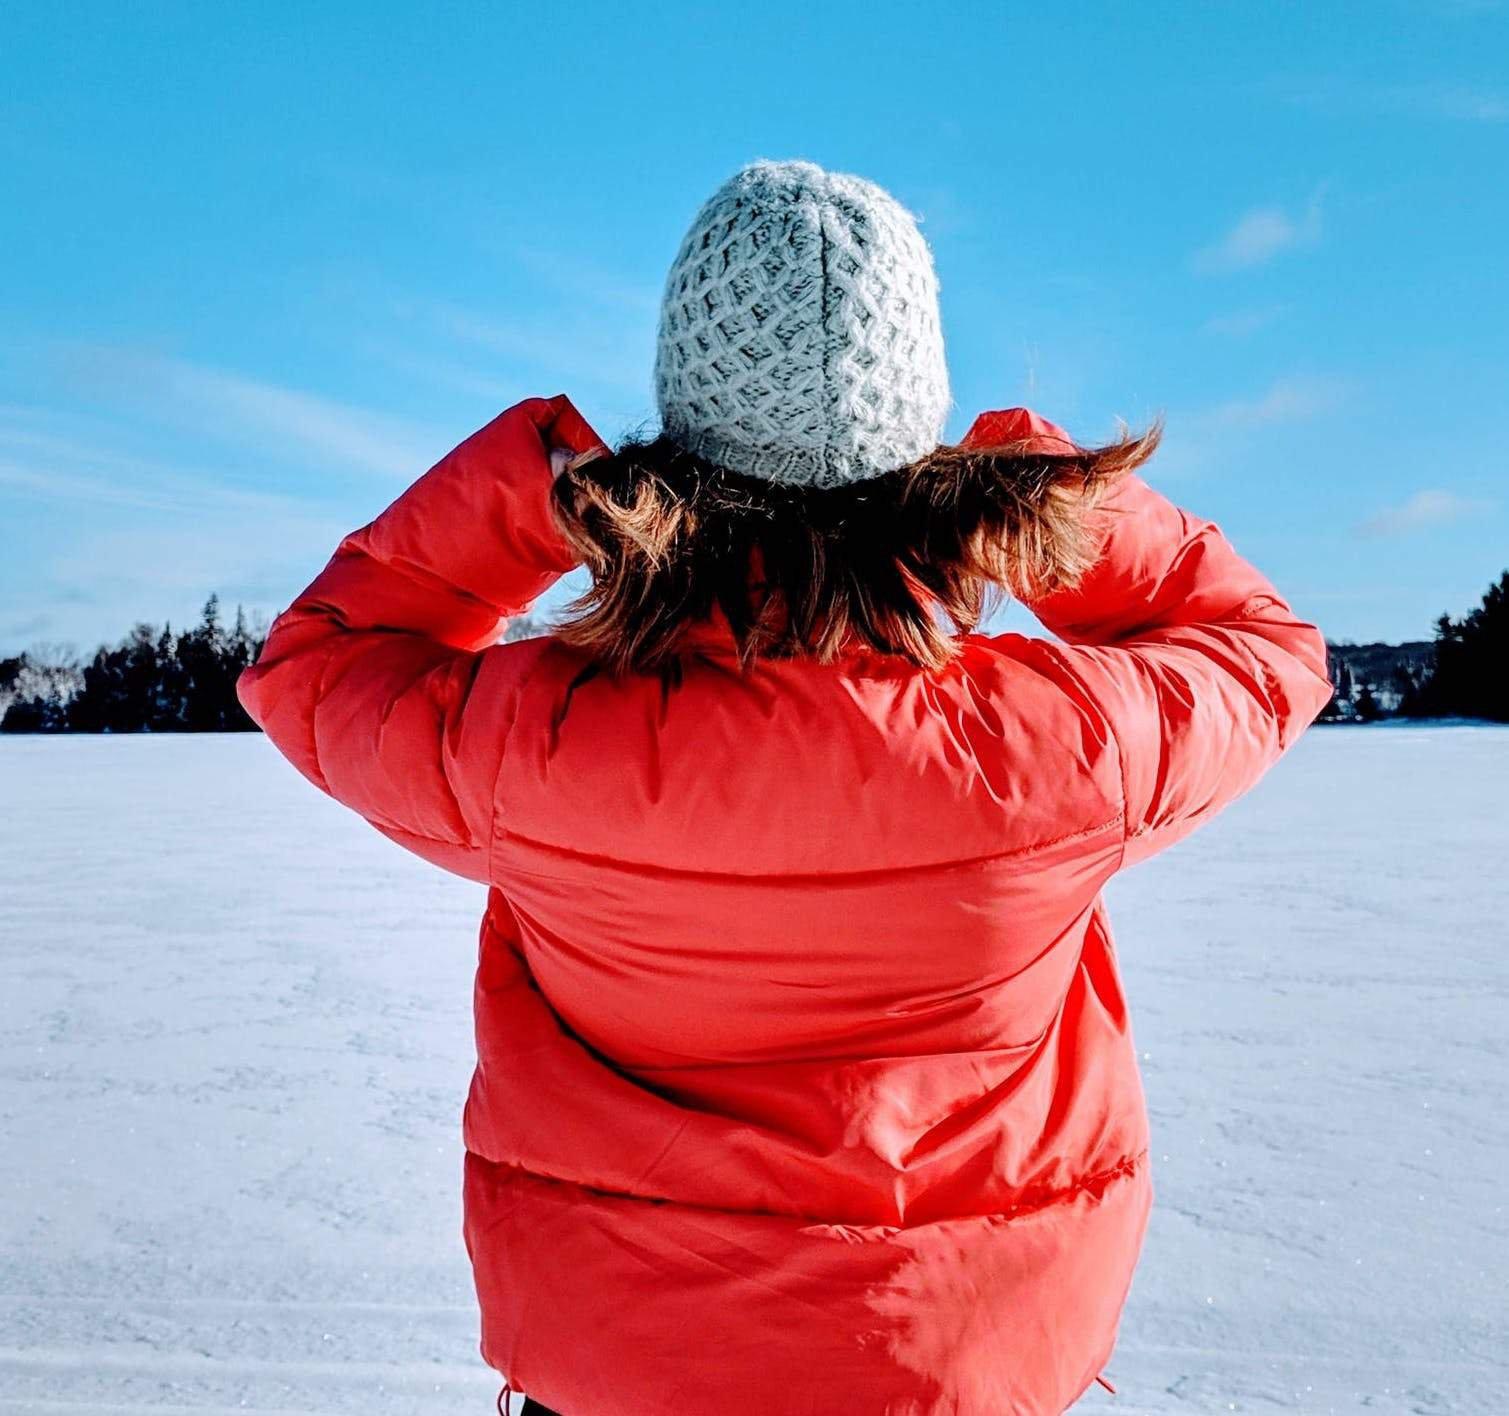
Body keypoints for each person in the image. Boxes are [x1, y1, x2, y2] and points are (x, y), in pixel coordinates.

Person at [238, 159, 1332, 1415]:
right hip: (959, 1370)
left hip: (624, 1372)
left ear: (681, 428)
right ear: (915, 432)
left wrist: (546, 494)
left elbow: (317, 663)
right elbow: (1266, 648)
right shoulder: (1065, 746)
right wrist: (1041, 491)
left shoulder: (537, 742)